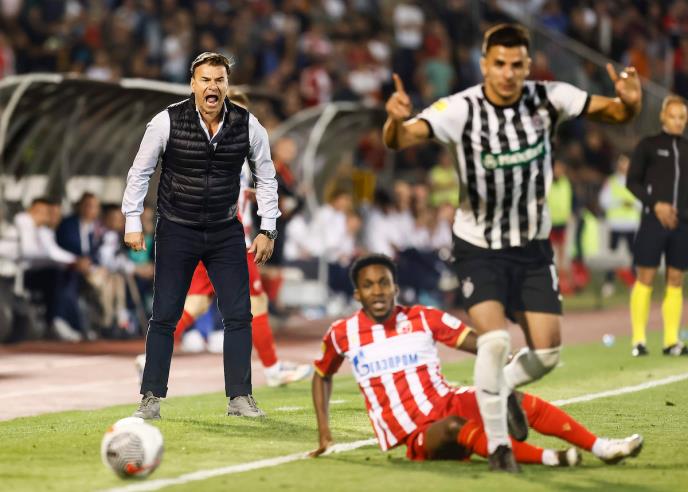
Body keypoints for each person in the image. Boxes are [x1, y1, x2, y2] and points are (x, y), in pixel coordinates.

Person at [382, 23, 642, 471]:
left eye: (516, 64)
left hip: (532, 247)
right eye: (499, 64)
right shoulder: (460, 109)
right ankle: (500, 446)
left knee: (548, 353)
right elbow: (400, 139)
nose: (507, 73)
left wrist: (631, 102)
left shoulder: (550, 97)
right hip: (479, 246)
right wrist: (394, 119)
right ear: (484, 65)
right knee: (495, 340)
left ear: (527, 66)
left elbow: (615, 113)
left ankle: (498, 388)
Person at [310, 254, 644, 469]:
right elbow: (321, 374)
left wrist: (509, 357)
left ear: (395, 287)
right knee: (455, 428)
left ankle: (601, 447)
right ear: (357, 294)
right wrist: (324, 432)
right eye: (368, 286)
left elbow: (478, 342)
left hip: (449, 401)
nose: (378, 291)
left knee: (514, 399)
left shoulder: (423, 317)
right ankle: (550, 458)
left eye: (384, 283)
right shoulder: (342, 333)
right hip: (416, 433)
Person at [122, 52, 280, 419]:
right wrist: (132, 221)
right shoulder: (165, 121)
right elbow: (140, 171)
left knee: (239, 314)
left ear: (226, 85)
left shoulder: (248, 124)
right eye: (205, 79)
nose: (213, 86)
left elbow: (266, 175)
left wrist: (268, 227)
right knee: (164, 314)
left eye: (219, 80)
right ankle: (150, 399)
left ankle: (240, 398)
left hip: (225, 230)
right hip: (176, 228)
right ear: (193, 84)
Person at [135, 86, 312, 388]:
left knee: (197, 303)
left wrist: (246, 193)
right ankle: (272, 369)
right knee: (255, 302)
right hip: (229, 236)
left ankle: (151, 356)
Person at [626, 95, 688, 357]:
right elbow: (632, 182)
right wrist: (656, 205)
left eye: (682, 117)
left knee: (676, 280)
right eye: (673, 116)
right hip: (653, 221)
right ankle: (638, 340)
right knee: (646, 278)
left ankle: (671, 341)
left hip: (682, 225)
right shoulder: (648, 145)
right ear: (663, 117)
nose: (678, 121)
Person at [598, 154, 641, 298]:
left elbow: (642, 201)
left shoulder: (636, 181)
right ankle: (609, 283)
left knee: (634, 255)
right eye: (622, 163)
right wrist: (619, 203)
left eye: (627, 163)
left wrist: (632, 204)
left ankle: (633, 283)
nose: (624, 166)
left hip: (631, 224)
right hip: (616, 224)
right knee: (612, 255)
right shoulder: (611, 181)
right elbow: (603, 201)